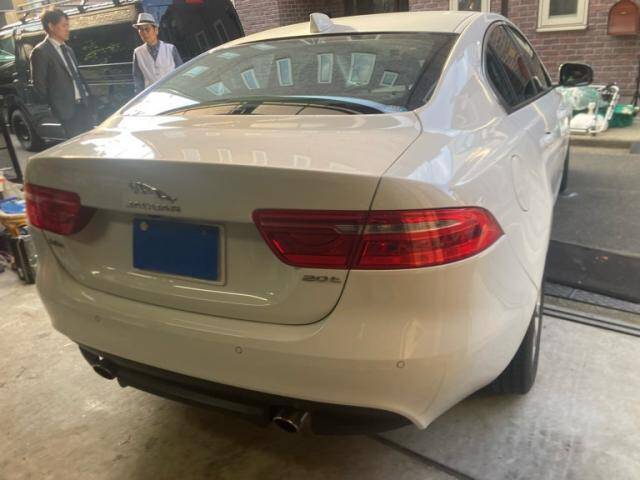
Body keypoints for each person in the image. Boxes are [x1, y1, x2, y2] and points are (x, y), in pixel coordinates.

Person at [30, 8, 93, 139]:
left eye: (68, 25)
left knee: (91, 144)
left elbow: (76, 76)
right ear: (51, 26)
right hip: (66, 112)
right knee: (76, 146)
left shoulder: (68, 49)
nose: (67, 29)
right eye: (64, 25)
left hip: (84, 106)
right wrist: (56, 108)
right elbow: (39, 87)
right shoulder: (40, 51)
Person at [132, 13, 183, 94]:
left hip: (173, 93)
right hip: (152, 96)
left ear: (156, 30)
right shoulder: (138, 52)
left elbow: (181, 72)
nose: (144, 33)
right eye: (141, 30)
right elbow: (138, 79)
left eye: (147, 29)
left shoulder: (170, 49)